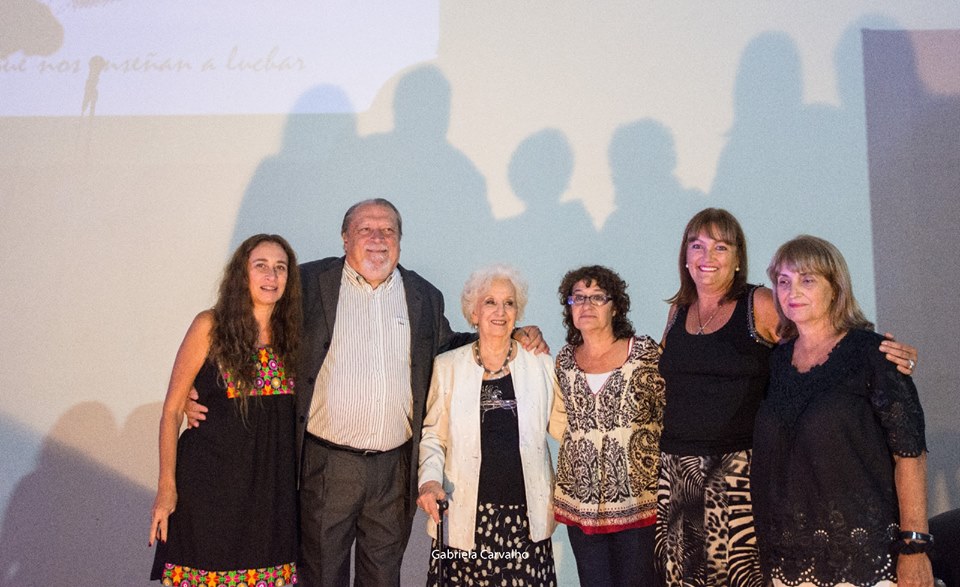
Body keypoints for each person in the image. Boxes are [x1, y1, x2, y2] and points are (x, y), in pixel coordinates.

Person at [188, 199, 547, 586]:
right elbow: (251, 321)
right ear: (345, 239)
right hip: (327, 467)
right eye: (366, 230)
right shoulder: (308, 284)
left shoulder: (423, 296)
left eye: (388, 230)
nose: (378, 239)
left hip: (393, 472)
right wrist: (203, 382)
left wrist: (512, 333)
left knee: (382, 579)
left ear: (400, 241)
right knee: (322, 577)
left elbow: (447, 346)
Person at [655, 209, 919, 587]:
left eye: (720, 247)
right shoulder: (677, 311)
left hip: (739, 476)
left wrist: (884, 353)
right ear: (684, 255)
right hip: (679, 476)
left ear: (737, 259)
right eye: (697, 246)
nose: (707, 257)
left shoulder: (758, 303)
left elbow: (818, 341)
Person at [752, 235, 932, 586]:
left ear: (835, 288)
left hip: (866, 557)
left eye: (807, 280)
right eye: (784, 281)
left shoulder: (873, 354)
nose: (792, 291)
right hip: (789, 560)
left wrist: (915, 546)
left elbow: (910, 453)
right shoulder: (775, 363)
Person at [149, 234, 302, 586]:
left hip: (270, 500)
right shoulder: (210, 326)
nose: (271, 276)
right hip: (209, 495)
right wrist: (166, 488)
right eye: (261, 266)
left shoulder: (296, 335)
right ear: (241, 274)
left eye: (280, 268)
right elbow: (172, 411)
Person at [417, 265, 558, 586]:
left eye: (509, 303)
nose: (500, 311)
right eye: (490, 302)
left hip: (525, 518)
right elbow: (433, 438)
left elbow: (566, 427)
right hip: (464, 511)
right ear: (474, 311)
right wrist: (428, 481)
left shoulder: (540, 363)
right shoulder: (447, 366)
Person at [549, 265, 665, 586]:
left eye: (597, 297)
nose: (586, 305)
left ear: (615, 306)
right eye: (578, 298)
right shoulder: (564, 361)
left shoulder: (644, 353)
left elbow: (671, 413)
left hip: (638, 503)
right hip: (581, 504)